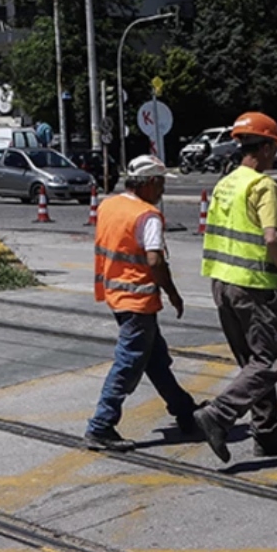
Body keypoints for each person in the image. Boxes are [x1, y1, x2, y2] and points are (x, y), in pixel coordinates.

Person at [193, 112, 277, 463]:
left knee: (252, 364)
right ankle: (219, 414)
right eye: (276, 147)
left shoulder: (226, 183)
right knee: (269, 362)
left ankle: (267, 434)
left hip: (222, 284)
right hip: (253, 285)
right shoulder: (262, 185)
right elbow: (272, 238)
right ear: (267, 147)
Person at [84, 155, 198, 451]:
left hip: (115, 294)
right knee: (129, 362)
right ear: (149, 183)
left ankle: (185, 412)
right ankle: (101, 425)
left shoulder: (109, 205)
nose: (162, 191)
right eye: (160, 184)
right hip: (138, 299)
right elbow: (154, 259)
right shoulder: (147, 216)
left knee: (155, 360)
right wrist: (172, 292)